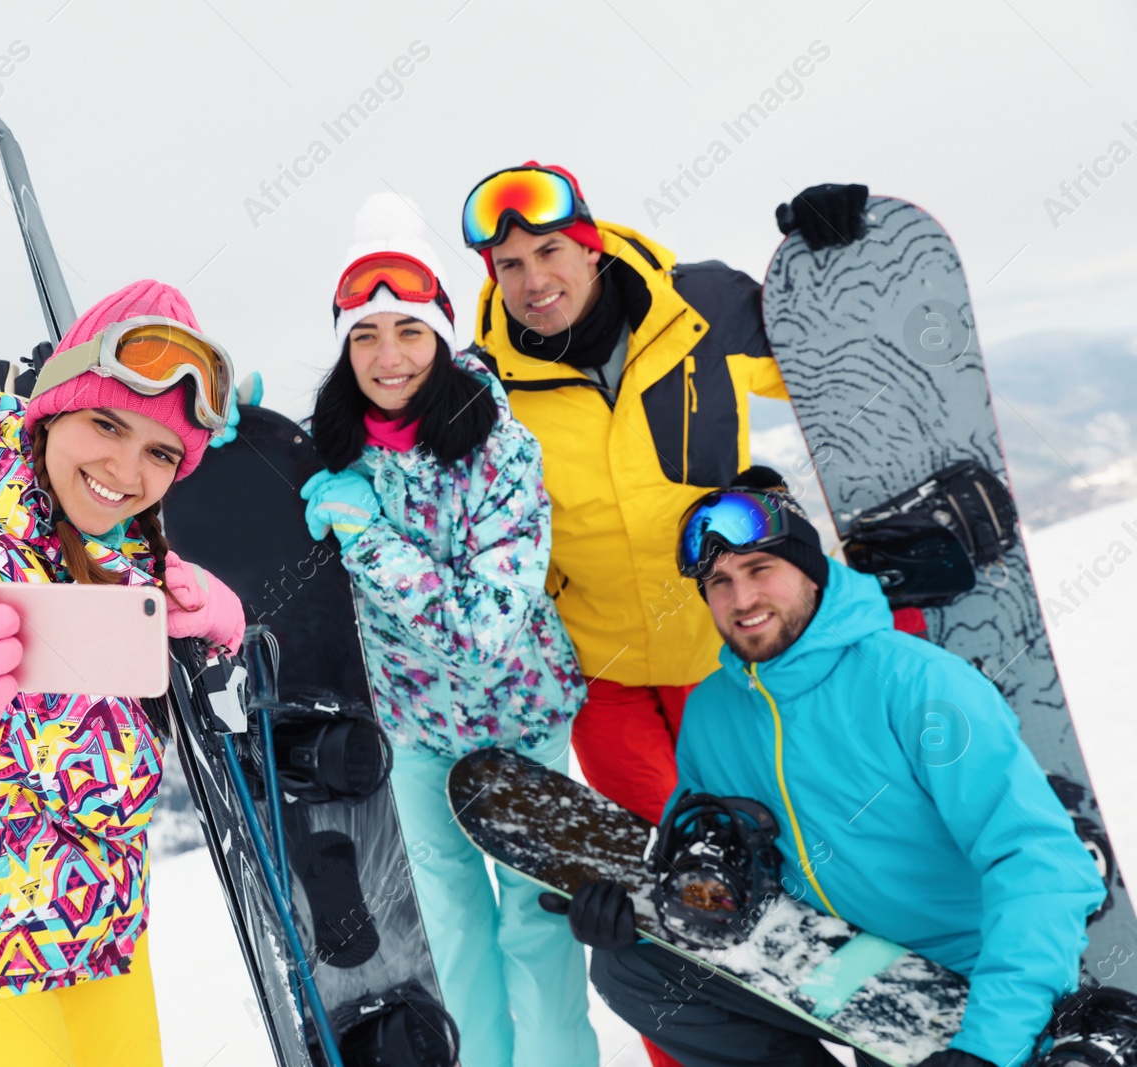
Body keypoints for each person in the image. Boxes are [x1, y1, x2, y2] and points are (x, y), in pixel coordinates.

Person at [549, 467, 1106, 1067]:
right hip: (837, 966)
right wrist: (642, 911)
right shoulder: (713, 712)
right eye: (718, 582)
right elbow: (717, 861)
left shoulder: (919, 683)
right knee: (632, 966)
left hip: (963, 978)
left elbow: (1042, 866)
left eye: (761, 570)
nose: (741, 600)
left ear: (809, 570)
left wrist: (987, 1047)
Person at [0, 280, 245, 1067]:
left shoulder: (119, 549)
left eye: (160, 452)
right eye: (106, 422)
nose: (125, 469)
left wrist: (215, 630)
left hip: (91, 920)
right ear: (52, 408)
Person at [460, 164, 873, 826]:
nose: (532, 280)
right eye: (508, 264)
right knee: (673, 867)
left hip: (728, 650)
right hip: (601, 674)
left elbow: (824, 365)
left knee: (783, 835)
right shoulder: (483, 385)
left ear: (589, 244)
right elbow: (392, 440)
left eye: (548, 251)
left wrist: (836, 260)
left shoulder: (703, 307)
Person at [300, 197, 596, 1067]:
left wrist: (370, 541)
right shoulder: (336, 449)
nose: (387, 357)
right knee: (451, 940)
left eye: (407, 331)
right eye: (364, 336)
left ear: (442, 336)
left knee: (536, 937)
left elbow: (483, 634)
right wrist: (225, 438)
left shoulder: (500, 446)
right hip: (420, 740)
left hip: (522, 729)